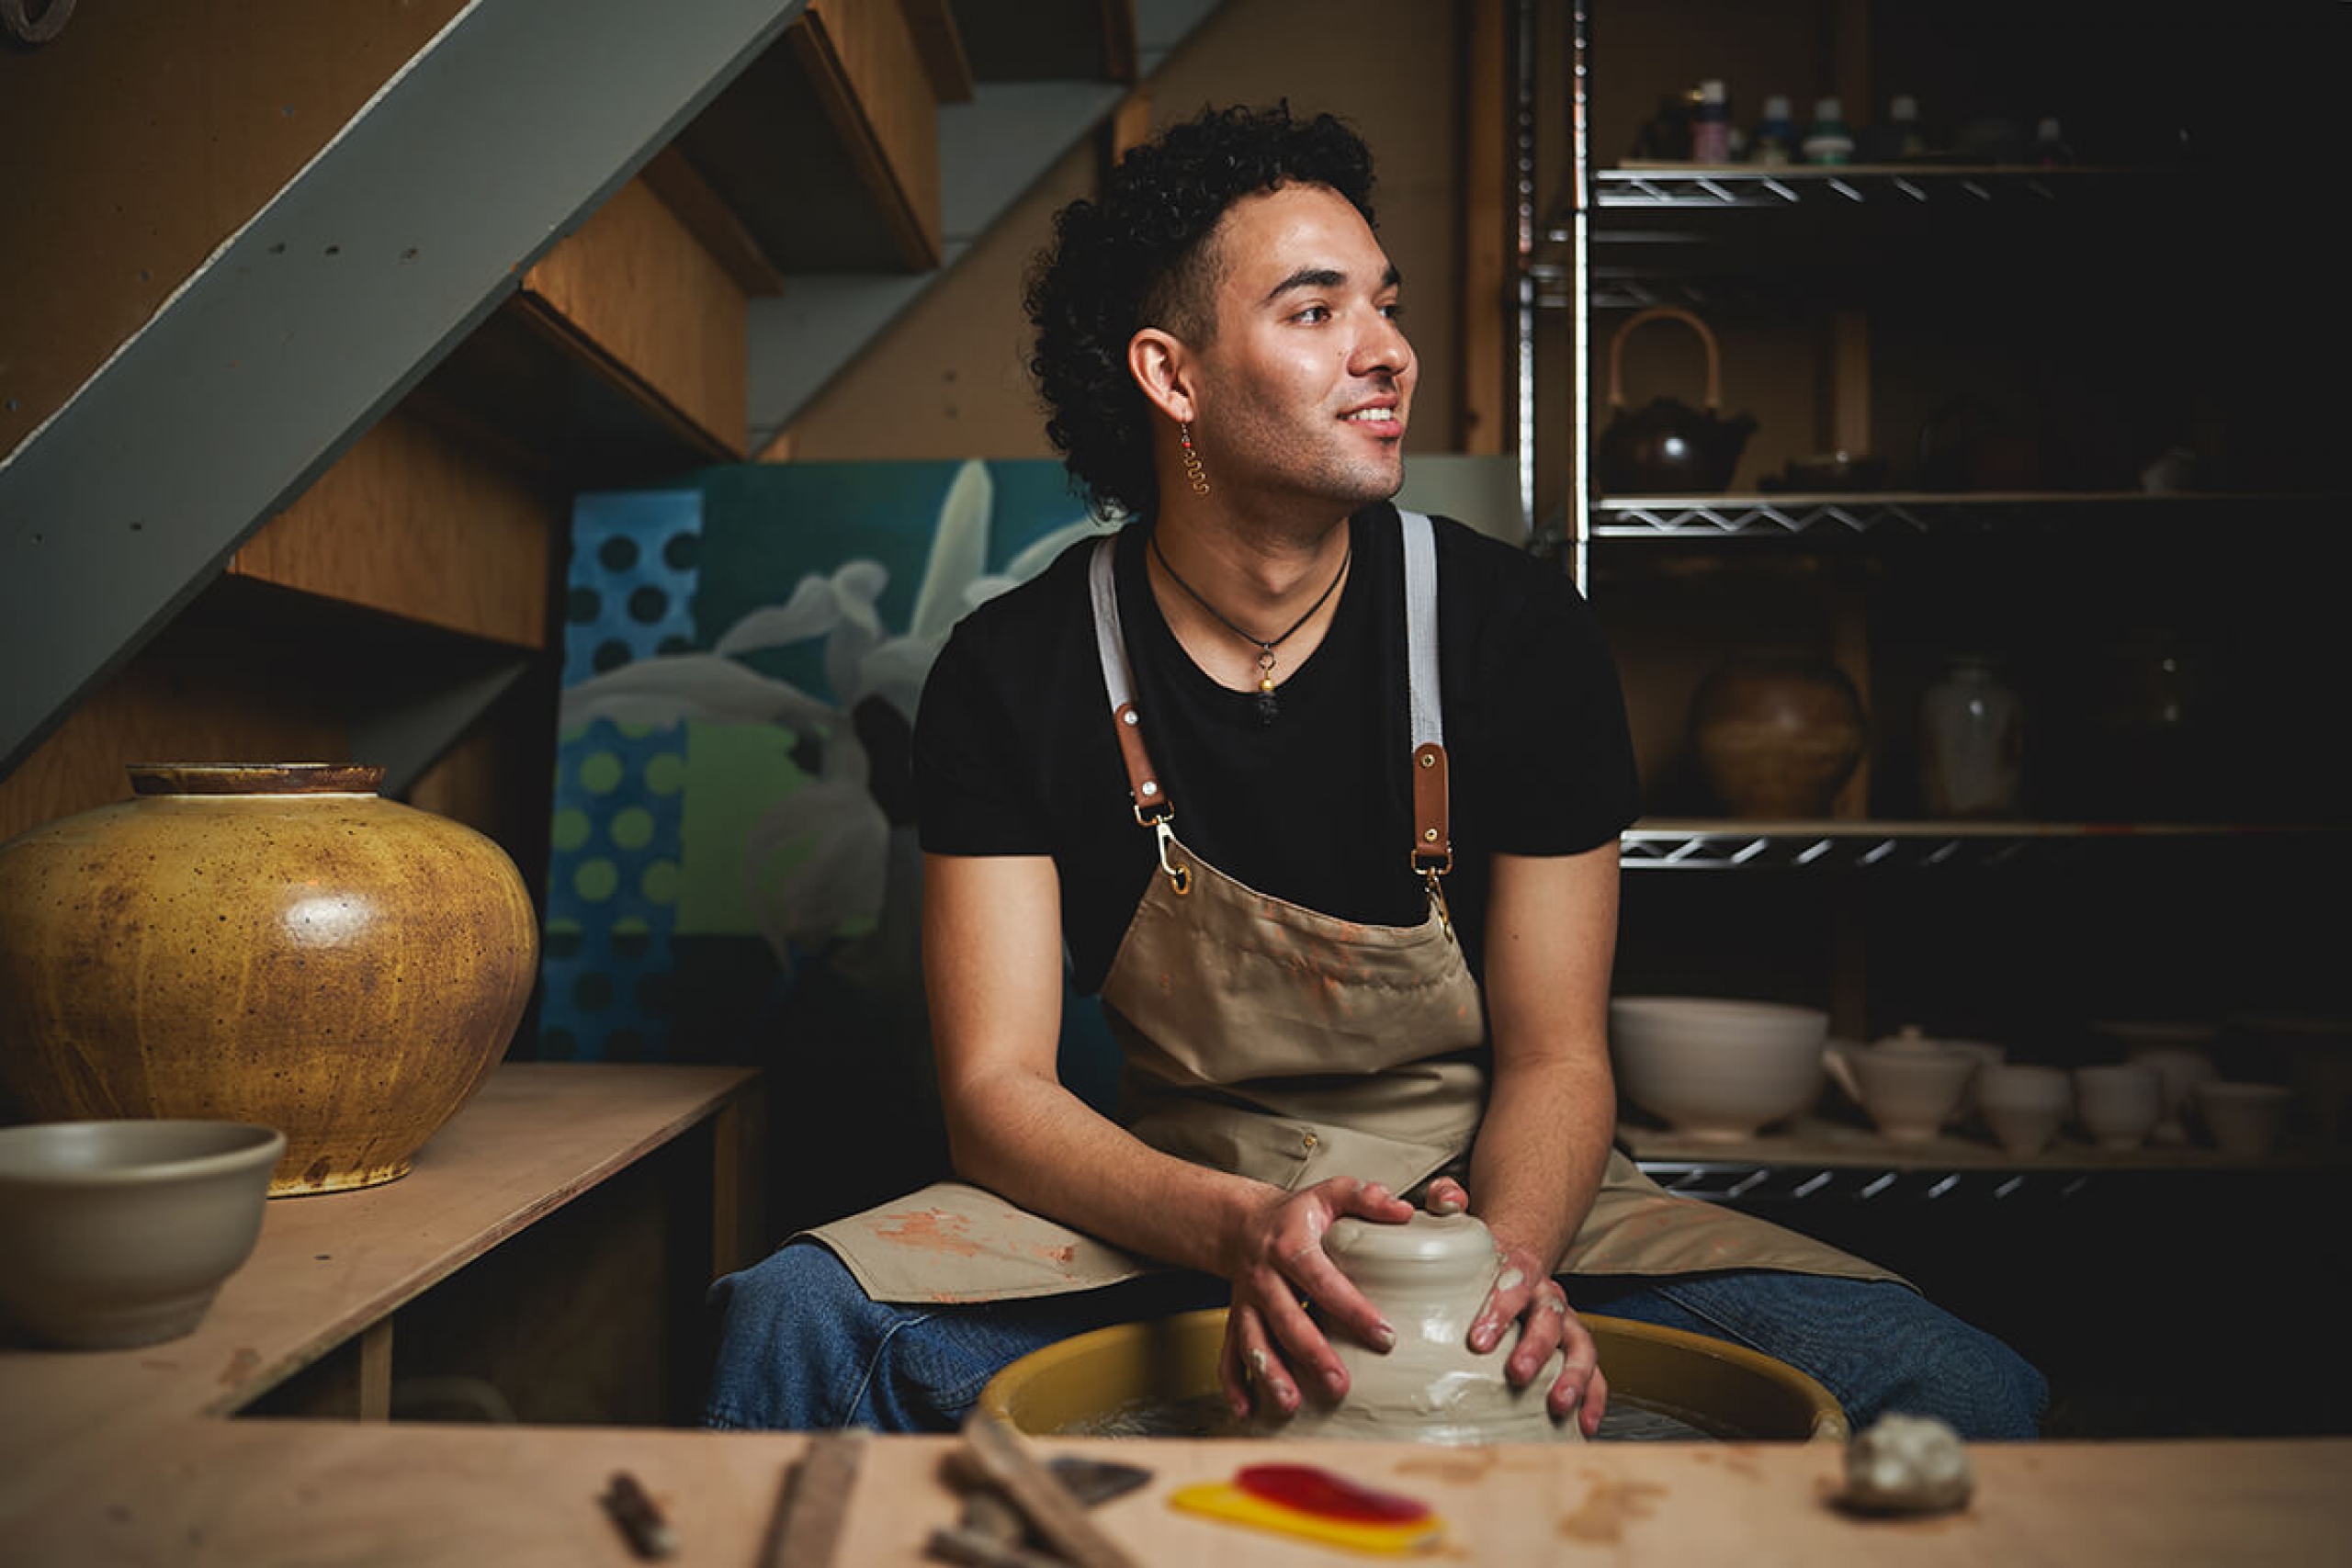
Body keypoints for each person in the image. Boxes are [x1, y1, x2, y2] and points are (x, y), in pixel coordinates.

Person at [700, 101, 2046, 1440]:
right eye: (1314, 311)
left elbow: (1562, 1057)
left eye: (1384, 305)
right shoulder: (1015, 669)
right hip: (1178, 1209)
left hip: (1500, 1198)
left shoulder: (1519, 636)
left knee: (1963, 1390)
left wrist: (1501, 1273)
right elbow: (998, 1098)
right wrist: (1240, 1230)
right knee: (793, 1319)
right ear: (1172, 377)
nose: (1387, 351)